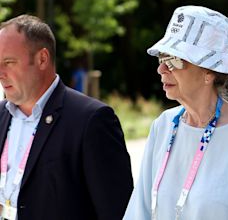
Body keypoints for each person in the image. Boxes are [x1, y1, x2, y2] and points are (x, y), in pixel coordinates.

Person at [123, 5, 228, 220]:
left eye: (173, 60)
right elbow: (139, 212)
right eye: (162, 58)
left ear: (208, 71)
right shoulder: (163, 126)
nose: (161, 69)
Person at [0, 14, 133, 219]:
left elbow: (117, 212)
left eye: (8, 62)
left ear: (42, 59)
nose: (0, 72)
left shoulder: (91, 120)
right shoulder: (1, 115)